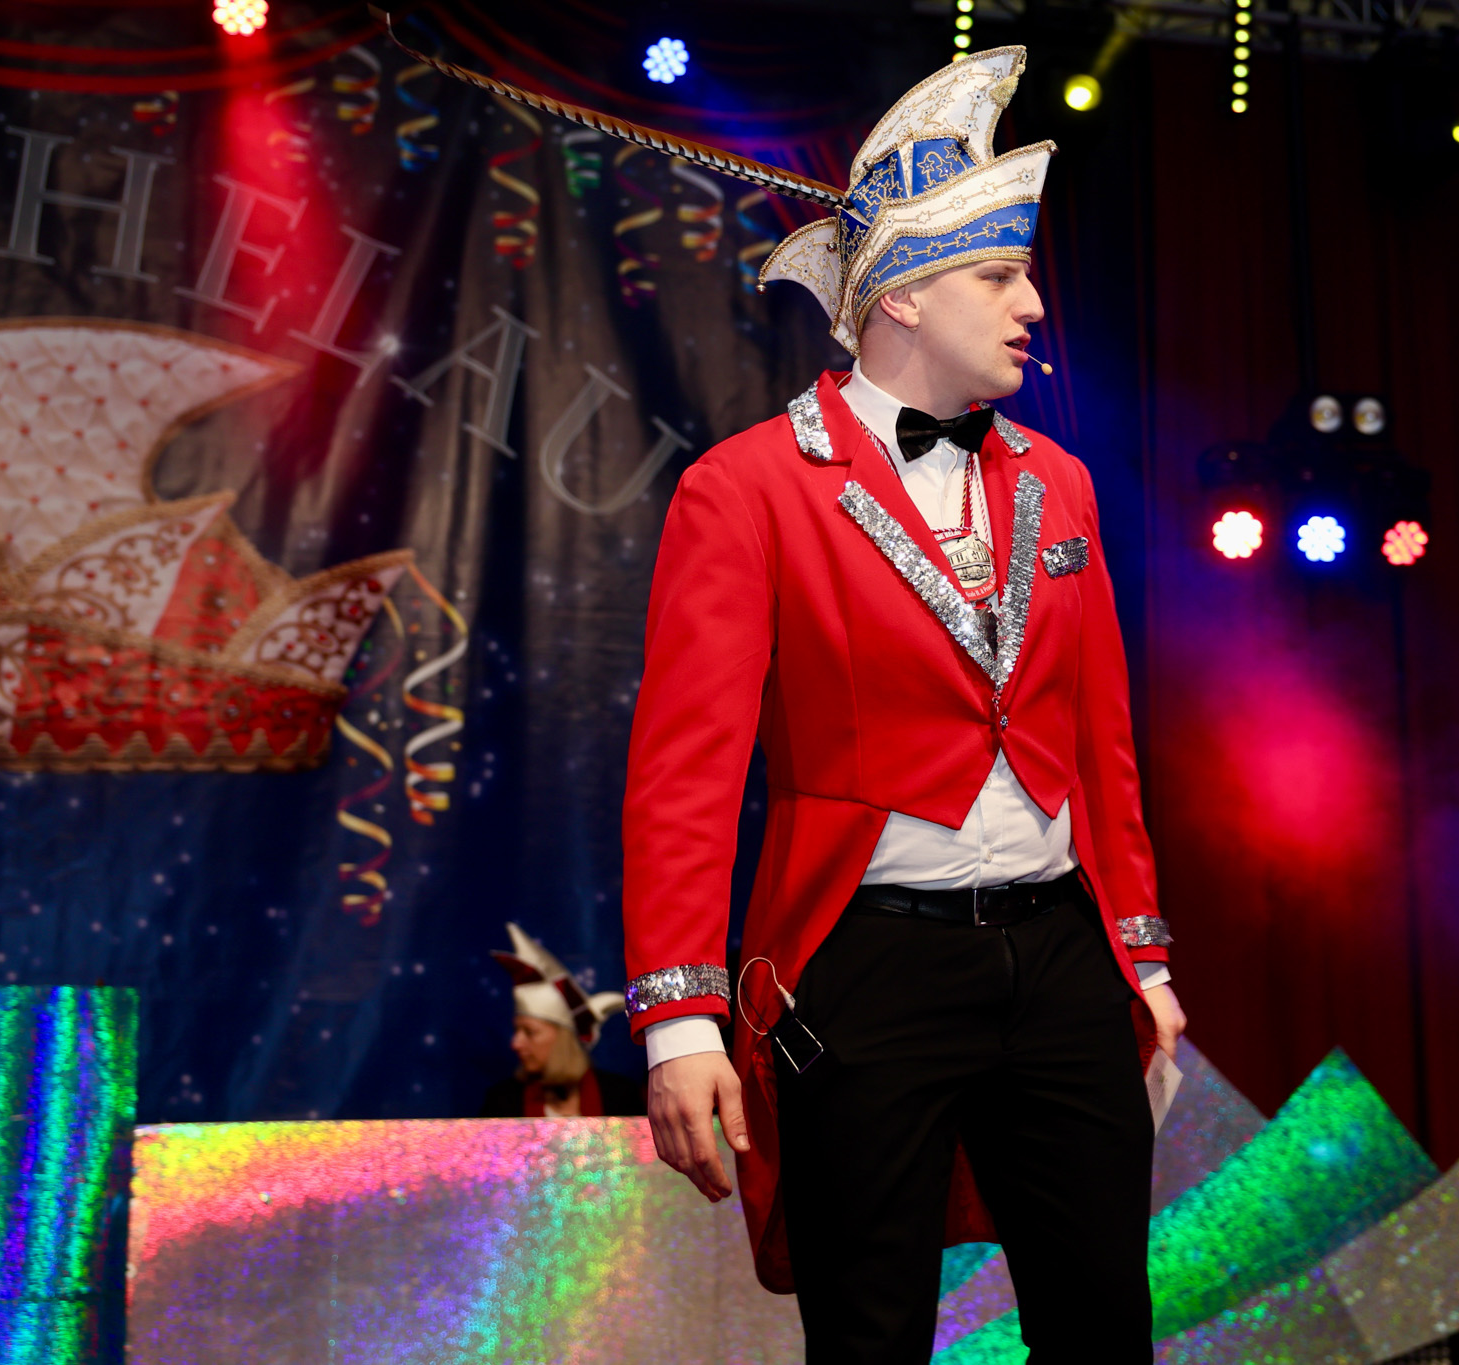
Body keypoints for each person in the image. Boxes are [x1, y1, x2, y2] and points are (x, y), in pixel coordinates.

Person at [621, 47, 1183, 1363]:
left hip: (1061, 956)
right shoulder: (747, 489)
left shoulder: (1061, 480)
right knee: (869, 1332)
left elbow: (1101, 744)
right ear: (906, 295)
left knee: (1106, 1324)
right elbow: (685, 774)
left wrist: (1143, 963)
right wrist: (678, 1019)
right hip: (865, 966)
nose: (1031, 304)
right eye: (999, 276)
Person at [481, 922, 643, 1118]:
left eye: (529, 1032)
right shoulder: (503, 1102)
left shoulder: (619, 1096)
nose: (515, 1043)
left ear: (563, 1038)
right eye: (517, 1031)